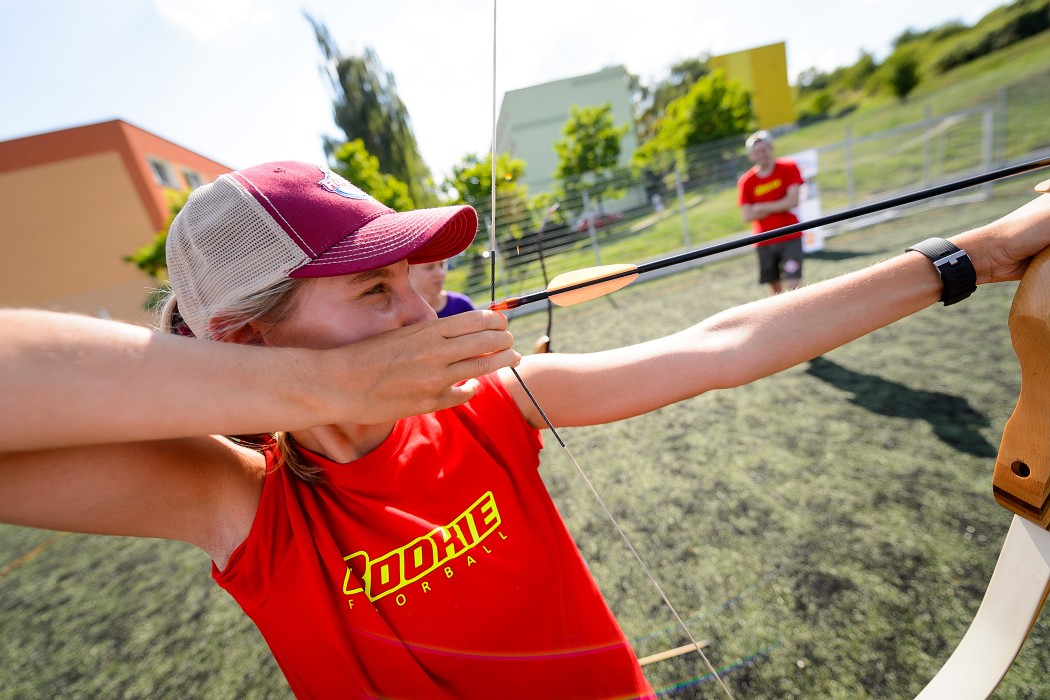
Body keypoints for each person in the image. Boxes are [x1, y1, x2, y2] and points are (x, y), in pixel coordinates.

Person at [3, 159, 1050, 699]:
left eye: (423, 278)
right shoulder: (240, 506)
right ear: (243, 336)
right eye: (374, 293)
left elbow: (729, 342)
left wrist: (979, 254)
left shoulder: (494, 404)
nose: (425, 315)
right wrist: (281, 395)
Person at [737, 129, 806, 294]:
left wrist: (760, 208)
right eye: (756, 152)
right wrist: (779, 205)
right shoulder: (746, 181)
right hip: (764, 239)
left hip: (790, 234)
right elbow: (746, 215)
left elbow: (793, 201)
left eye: (764, 149)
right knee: (775, 292)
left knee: (795, 286)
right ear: (750, 156)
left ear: (771, 148)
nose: (761, 154)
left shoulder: (789, 167)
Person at [408, 258, 477, 317]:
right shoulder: (405, 316)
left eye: (442, 265)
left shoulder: (461, 304)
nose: (440, 273)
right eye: (429, 267)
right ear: (408, 272)